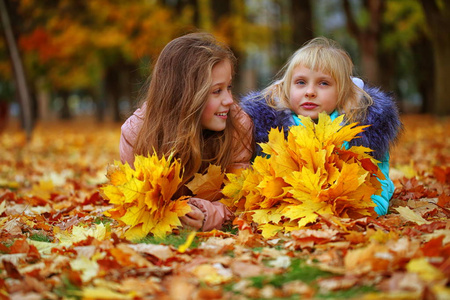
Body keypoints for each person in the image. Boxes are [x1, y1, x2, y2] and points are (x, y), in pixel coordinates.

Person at [240, 37, 402, 215]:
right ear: (287, 87)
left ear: (342, 91)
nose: (310, 92)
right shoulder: (270, 130)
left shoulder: (361, 128)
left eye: (323, 83)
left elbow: (377, 180)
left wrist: (365, 210)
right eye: (301, 82)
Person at [120, 32, 254, 231]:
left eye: (229, 87)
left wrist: (208, 215)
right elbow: (134, 200)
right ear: (184, 95)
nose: (228, 100)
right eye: (217, 91)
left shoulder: (238, 124)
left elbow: (241, 197)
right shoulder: (136, 132)